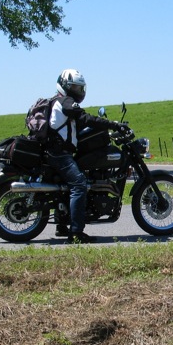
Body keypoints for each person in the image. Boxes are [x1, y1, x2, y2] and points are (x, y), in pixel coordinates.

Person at [46, 68, 123, 244]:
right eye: (74, 87)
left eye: (80, 88)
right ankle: (76, 233)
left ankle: (61, 224)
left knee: (67, 184)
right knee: (79, 184)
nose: (78, 91)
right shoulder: (65, 102)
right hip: (59, 154)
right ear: (65, 85)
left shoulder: (58, 101)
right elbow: (84, 118)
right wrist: (112, 125)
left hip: (57, 152)